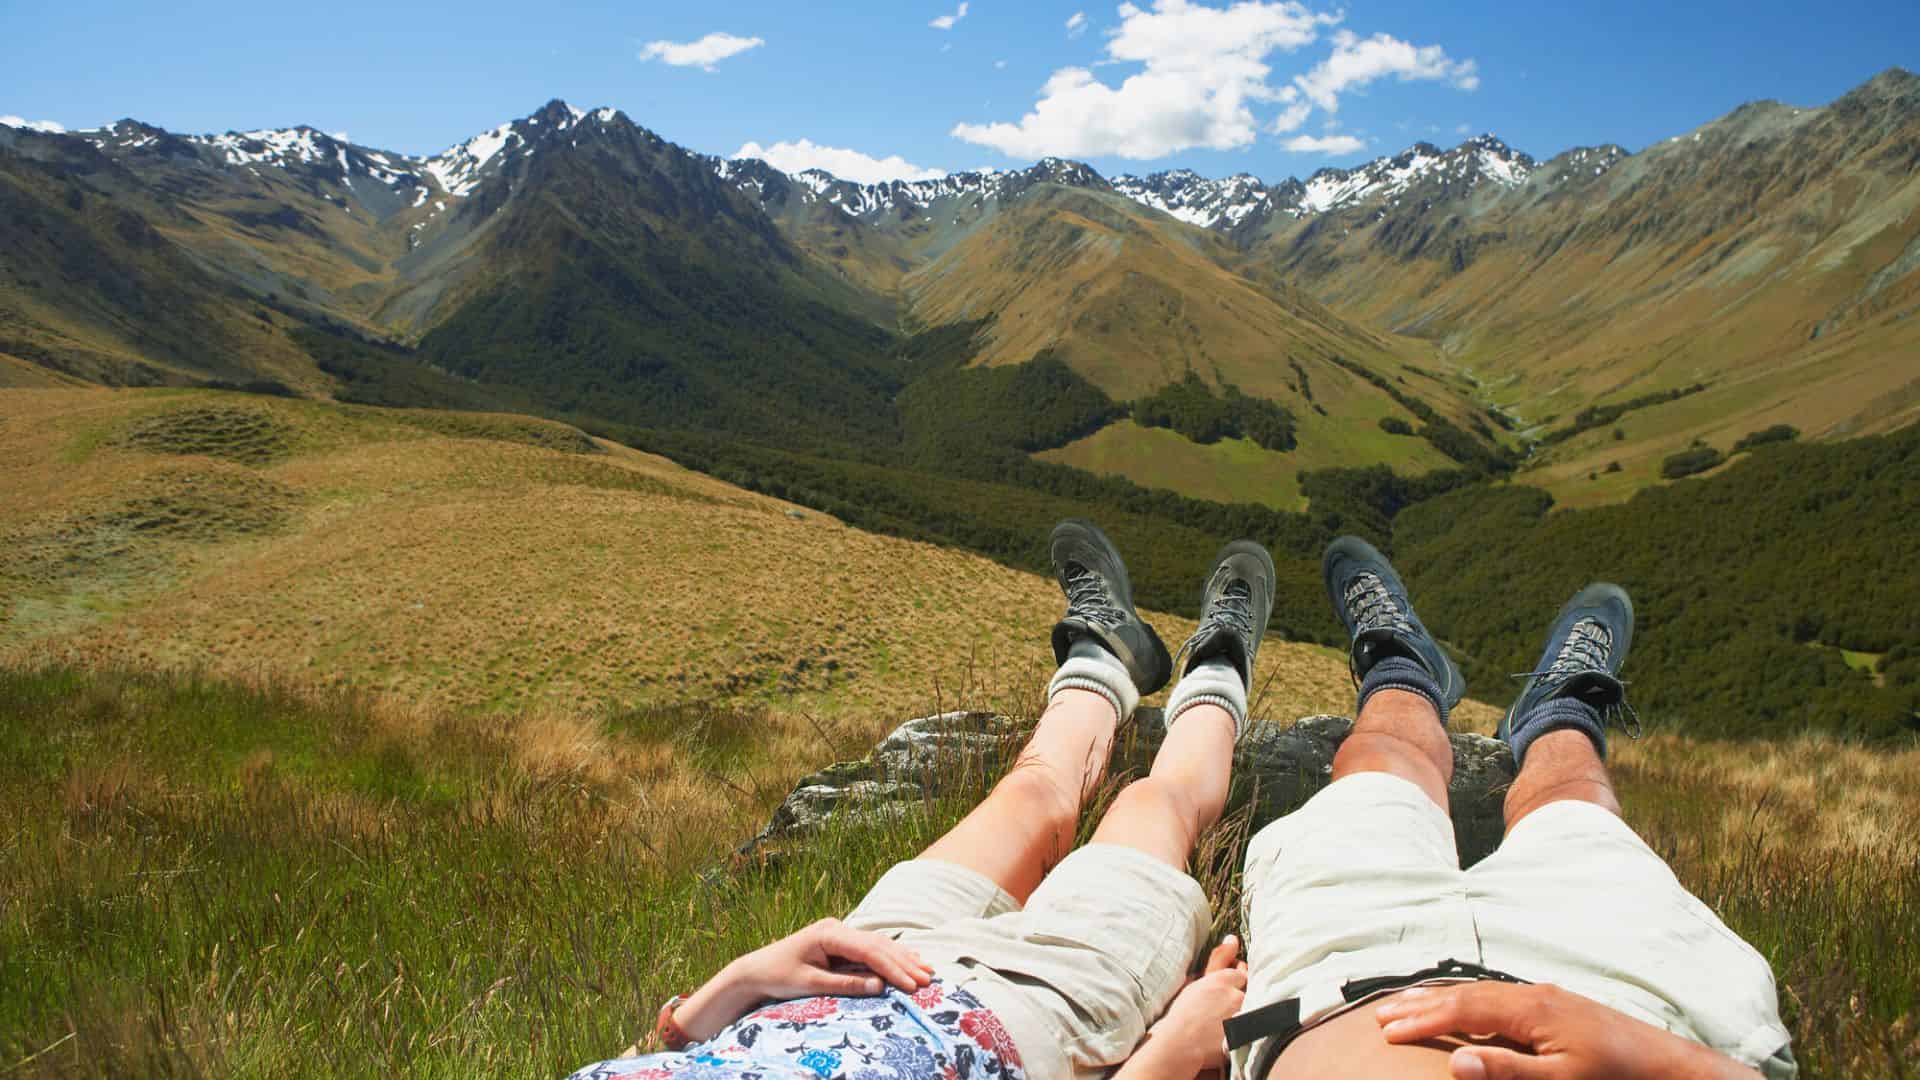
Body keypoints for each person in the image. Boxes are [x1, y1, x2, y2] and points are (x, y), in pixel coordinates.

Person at [565, 519, 1278, 1080]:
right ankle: (1218, 664)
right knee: (1154, 807)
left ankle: (1107, 659)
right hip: (1035, 1021)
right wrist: (1171, 1055)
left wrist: (732, 986)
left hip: (851, 970)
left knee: (1029, 792)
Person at [1221, 537, 1797, 1079]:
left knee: (1382, 759)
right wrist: (1679, 1065)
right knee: (1572, 797)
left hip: (1342, 977)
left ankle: (1402, 669)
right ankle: (1560, 711)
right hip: (1627, 995)